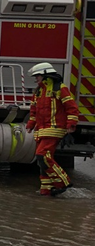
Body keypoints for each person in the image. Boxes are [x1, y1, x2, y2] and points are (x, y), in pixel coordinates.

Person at [25, 62, 79, 196]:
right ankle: (47, 190)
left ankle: (63, 182)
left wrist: (71, 124)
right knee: (41, 161)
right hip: (41, 130)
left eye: (37, 76)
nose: (36, 79)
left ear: (45, 74)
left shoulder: (60, 88)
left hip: (54, 128)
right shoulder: (38, 91)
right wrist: (30, 125)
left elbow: (71, 107)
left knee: (42, 156)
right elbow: (33, 111)